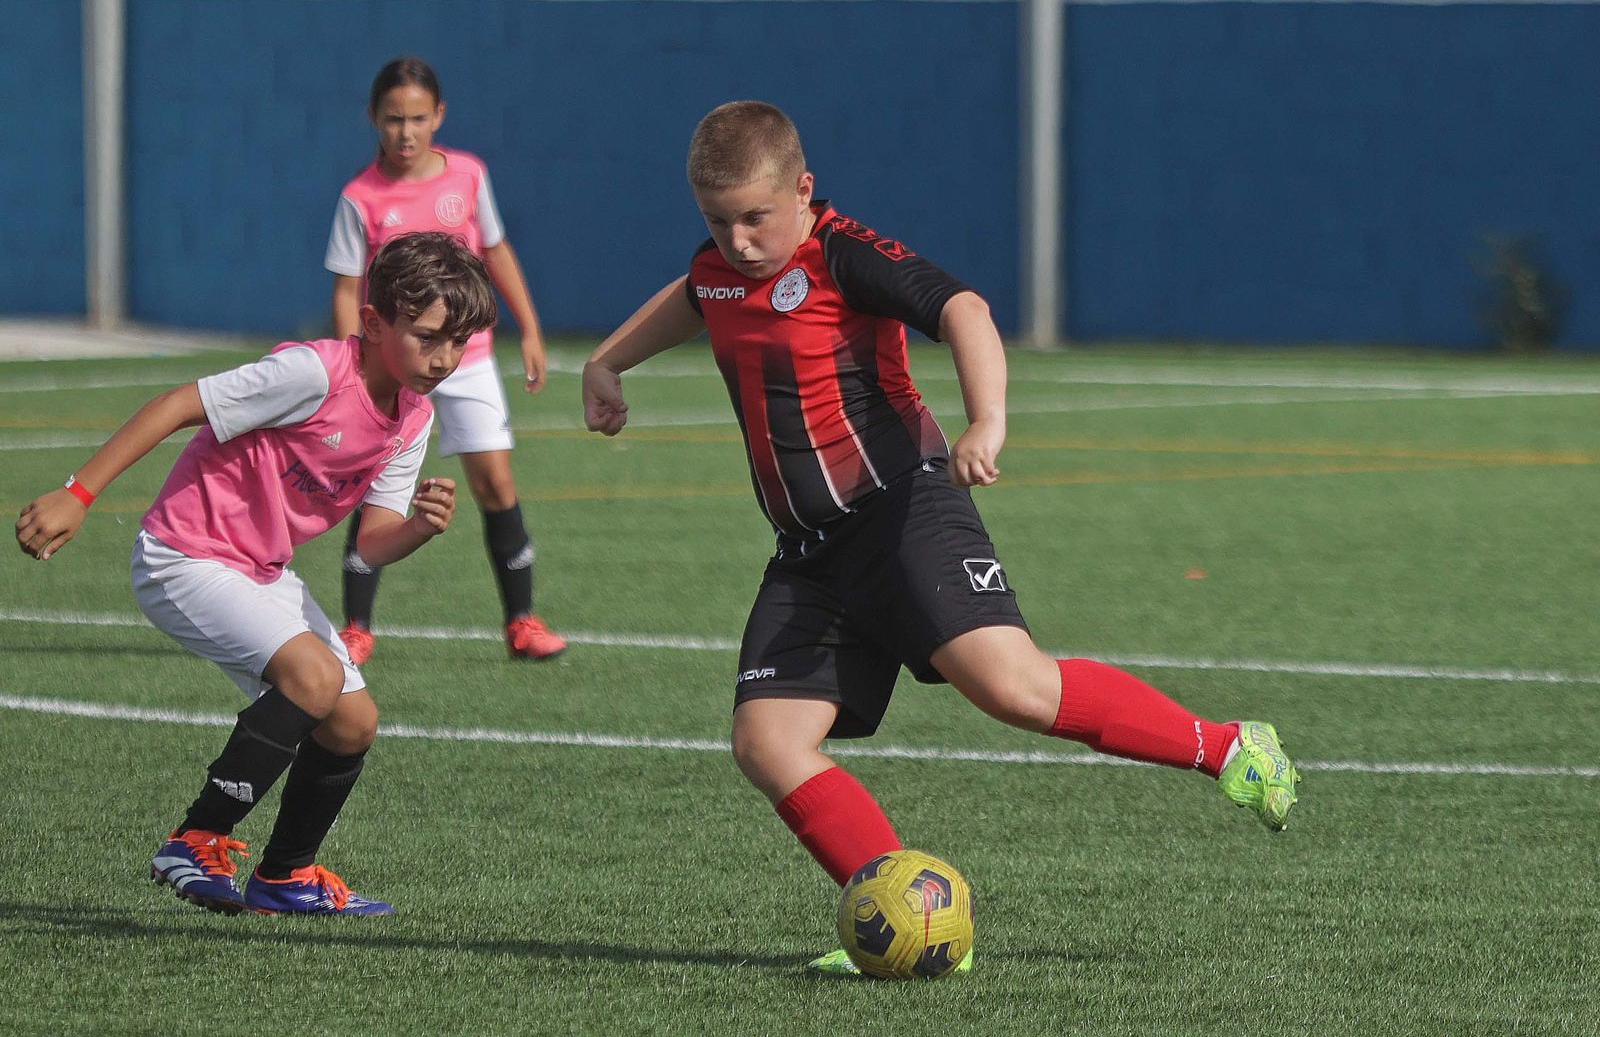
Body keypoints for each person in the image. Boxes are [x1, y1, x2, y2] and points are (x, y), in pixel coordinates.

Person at [581, 101, 1301, 974]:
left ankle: (1228, 746)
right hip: (810, 554)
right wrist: (606, 362)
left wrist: (986, 421)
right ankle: (900, 917)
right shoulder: (720, 269)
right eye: (717, 220)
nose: (737, 240)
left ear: (803, 191)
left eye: (755, 217)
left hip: (903, 510)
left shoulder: (843, 254)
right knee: (765, 741)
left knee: (1013, 688)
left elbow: (962, 307)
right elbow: (695, 296)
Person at [14, 233, 499, 916]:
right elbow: (179, 403)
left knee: (354, 721)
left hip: (260, 570)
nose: (443, 359)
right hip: (184, 553)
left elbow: (373, 541)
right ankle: (195, 836)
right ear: (372, 322)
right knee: (316, 677)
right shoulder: (314, 373)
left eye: (459, 342)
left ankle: (285, 876)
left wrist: (418, 527)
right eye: (427, 337)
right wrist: (79, 493)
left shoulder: (412, 417)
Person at [325, 56, 565, 663]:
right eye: (391, 120)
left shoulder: (469, 176)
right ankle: (356, 627)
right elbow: (349, 289)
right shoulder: (359, 198)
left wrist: (530, 329)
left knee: (496, 483)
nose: (405, 133)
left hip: (471, 358)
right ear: (372, 120)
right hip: (393, 363)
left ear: (439, 117)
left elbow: (497, 250)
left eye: (417, 119)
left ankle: (522, 622)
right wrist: (355, 363)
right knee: (379, 484)